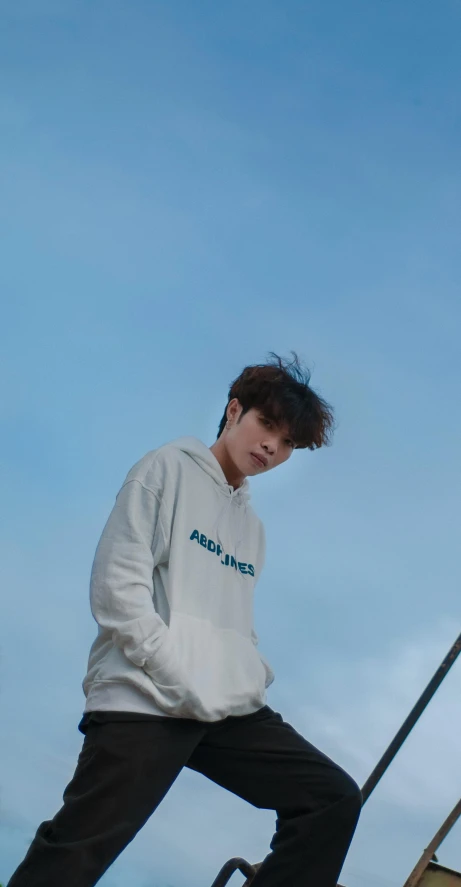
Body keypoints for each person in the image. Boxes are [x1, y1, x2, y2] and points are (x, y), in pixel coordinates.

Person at [8, 353, 362, 887]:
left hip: (221, 708)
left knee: (330, 799)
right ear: (233, 410)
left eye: (288, 443)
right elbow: (116, 590)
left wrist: (246, 673)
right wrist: (175, 672)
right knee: (76, 852)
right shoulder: (165, 469)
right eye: (267, 426)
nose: (272, 446)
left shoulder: (253, 529)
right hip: (144, 697)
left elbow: (235, 622)